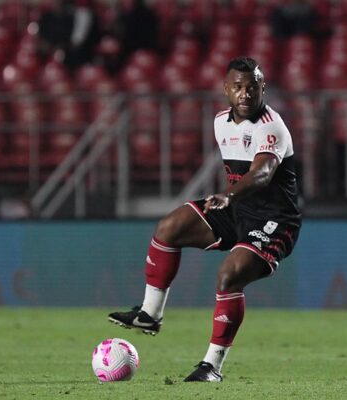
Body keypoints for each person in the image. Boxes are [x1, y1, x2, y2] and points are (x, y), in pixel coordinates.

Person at [108, 57, 301, 382]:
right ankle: (150, 314)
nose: (244, 93)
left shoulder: (272, 126)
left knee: (229, 276)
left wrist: (229, 194)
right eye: (237, 86)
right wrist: (230, 199)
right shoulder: (220, 122)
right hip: (236, 209)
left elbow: (263, 173)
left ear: (262, 88)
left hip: (273, 220)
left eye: (251, 87)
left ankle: (211, 366)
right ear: (226, 89)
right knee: (170, 228)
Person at [37, 0, 102, 70]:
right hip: (50, 50)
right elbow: (41, 38)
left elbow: (74, 40)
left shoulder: (73, 16)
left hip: (70, 52)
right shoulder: (46, 17)